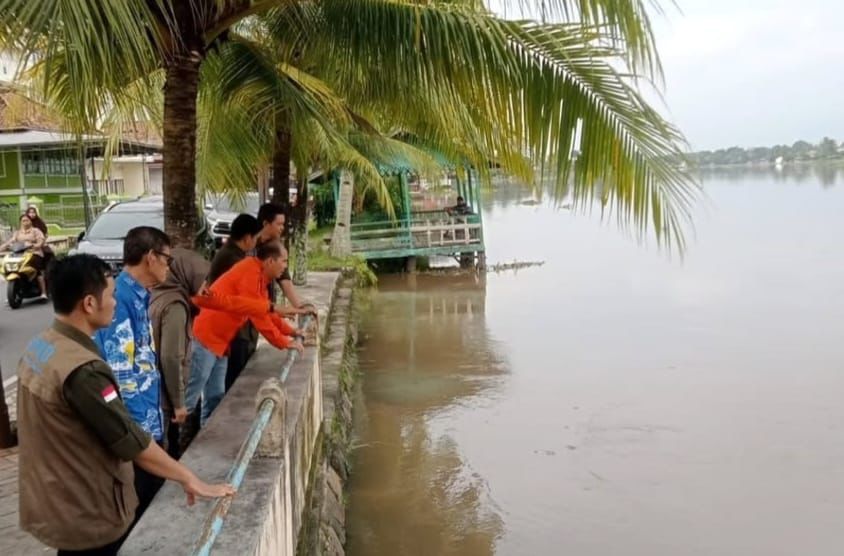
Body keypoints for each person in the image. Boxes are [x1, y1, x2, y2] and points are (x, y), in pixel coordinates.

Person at [17, 254, 234, 556]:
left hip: (56, 498)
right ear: (89, 304)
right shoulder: (84, 371)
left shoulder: (41, 344)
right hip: (88, 509)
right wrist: (190, 478)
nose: (116, 303)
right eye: (110, 295)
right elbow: (130, 440)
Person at [93, 226, 172, 517]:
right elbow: (122, 378)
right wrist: (143, 437)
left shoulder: (139, 296)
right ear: (151, 257)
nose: (168, 266)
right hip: (138, 433)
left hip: (149, 425)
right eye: (167, 259)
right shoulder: (121, 300)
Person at [187, 240, 304, 426]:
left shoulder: (260, 277)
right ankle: (175, 444)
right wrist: (284, 341)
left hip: (221, 343)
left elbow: (266, 311)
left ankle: (205, 436)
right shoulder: (249, 272)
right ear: (270, 261)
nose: (285, 266)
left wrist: (291, 331)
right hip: (206, 339)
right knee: (190, 397)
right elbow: (259, 316)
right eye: (284, 261)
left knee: (215, 397)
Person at [149, 247, 210, 457]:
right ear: (187, 275)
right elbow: (171, 357)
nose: (206, 288)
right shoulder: (175, 305)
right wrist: (179, 403)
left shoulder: (155, 293)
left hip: (154, 395)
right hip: (165, 400)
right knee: (166, 451)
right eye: (202, 280)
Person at [206, 214, 261, 390]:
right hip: (233, 332)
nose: (256, 243)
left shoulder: (232, 255)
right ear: (247, 238)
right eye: (256, 238)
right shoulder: (233, 260)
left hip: (234, 330)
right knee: (233, 384)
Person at [255, 203, 316, 313]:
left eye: (283, 224)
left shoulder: (276, 246)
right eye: (279, 224)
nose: (282, 228)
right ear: (265, 224)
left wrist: (299, 307)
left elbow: (284, 279)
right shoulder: (248, 246)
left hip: (262, 306)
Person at [0, 213, 47, 299]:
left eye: (27, 220)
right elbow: (11, 241)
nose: (25, 222)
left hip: (34, 253)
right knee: (9, 266)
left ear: (30, 221)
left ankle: (43, 292)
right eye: (23, 221)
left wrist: (35, 245)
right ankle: (14, 291)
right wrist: (3, 247)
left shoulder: (36, 231)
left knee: (37, 270)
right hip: (19, 254)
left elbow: (41, 241)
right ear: (20, 222)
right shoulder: (17, 233)